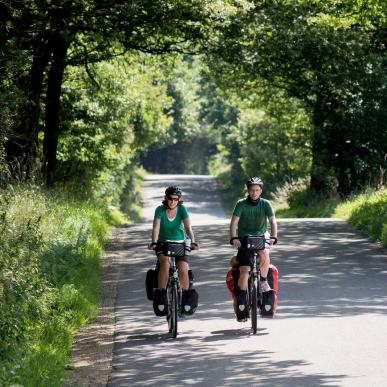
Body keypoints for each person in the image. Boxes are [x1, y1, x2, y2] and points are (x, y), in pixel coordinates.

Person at [229, 177, 278, 320]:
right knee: (244, 271)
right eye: (252, 190)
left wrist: (273, 236)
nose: (254, 193)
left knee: (264, 254)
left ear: (261, 191)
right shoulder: (241, 204)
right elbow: (233, 223)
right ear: (248, 191)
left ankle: (263, 281)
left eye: (257, 190)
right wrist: (234, 238)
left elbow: (273, 221)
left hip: (261, 237)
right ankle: (242, 302)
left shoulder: (266, 204)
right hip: (244, 240)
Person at [148, 186, 198, 315]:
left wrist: (192, 241)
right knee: (165, 263)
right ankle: (162, 296)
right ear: (166, 198)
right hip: (163, 243)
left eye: (176, 199)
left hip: (180, 243)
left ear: (179, 200)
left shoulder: (182, 210)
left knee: (183, 268)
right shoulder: (159, 210)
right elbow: (156, 227)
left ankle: (186, 300)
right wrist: (154, 242)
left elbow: (188, 227)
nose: (172, 201)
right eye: (170, 198)